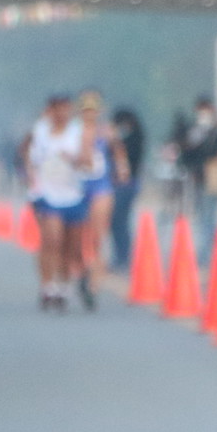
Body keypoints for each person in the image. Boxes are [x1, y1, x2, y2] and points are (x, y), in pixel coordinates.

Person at [19, 93, 92, 312]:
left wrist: (74, 159)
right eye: (57, 109)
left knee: (70, 246)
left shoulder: (79, 132)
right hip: (47, 194)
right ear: (50, 110)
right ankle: (47, 286)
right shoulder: (39, 130)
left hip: (73, 194)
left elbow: (87, 161)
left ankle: (63, 285)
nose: (61, 113)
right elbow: (25, 152)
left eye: (65, 109)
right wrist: (29, 172)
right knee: (51, 239)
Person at [76, 89, 129, 311]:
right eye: (87, 110)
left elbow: (118, 153)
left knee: (98, 236)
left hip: (101, 187)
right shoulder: (74, 133)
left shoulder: (106, 132)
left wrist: (122, 169)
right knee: (78, 237)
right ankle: (82, 271)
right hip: (78, 188)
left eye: (94, 110)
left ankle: (94, 284)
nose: (90, 114)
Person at [178, 97, 217, 254]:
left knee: (209, 216)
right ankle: (206, 250)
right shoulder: (194, 129)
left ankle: (207, 252)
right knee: (202, 215)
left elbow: (215, 153)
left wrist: (204, 138)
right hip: (198, 178)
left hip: (213, 179)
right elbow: (188, 153)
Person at [107, 108, 146, 270]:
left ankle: (124, 256)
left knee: (120, 221)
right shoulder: (126, 139)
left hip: (128, 184)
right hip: (118, 184)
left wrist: (116, 142)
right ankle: (120, 255)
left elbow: (128, 159)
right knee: (116, 222)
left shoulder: (135, 138)